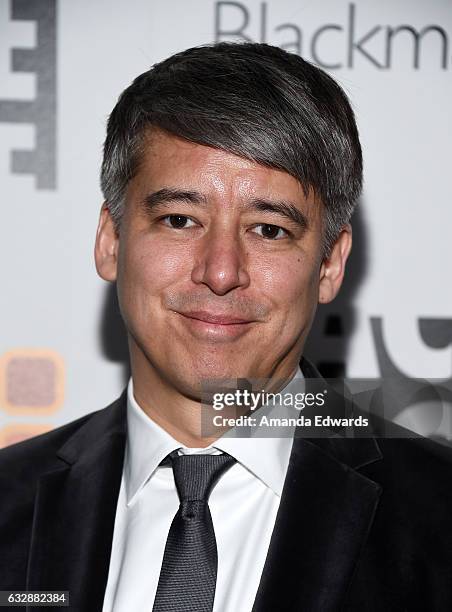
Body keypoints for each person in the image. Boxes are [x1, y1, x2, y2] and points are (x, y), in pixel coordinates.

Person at [1, 41, 451, 612]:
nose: (220, 272)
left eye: (268, 230)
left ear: (331, 265)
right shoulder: (7, 502)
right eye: (179, 219)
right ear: (111, 241)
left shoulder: (439, 517)